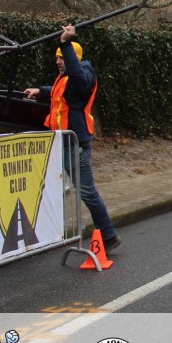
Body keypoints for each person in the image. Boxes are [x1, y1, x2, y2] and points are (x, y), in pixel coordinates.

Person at [24, 25, 120, 251]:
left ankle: (108, 236)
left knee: (87, 192)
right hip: (63, 141)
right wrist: (41, 90)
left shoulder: (83, 74)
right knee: (69, 188)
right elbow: (59, 92)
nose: (58, 61)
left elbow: (78, 81)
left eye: (62, 57)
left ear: (73, 57)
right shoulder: (65, 78)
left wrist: (66, 43)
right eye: (57, 57)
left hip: (76, 145)